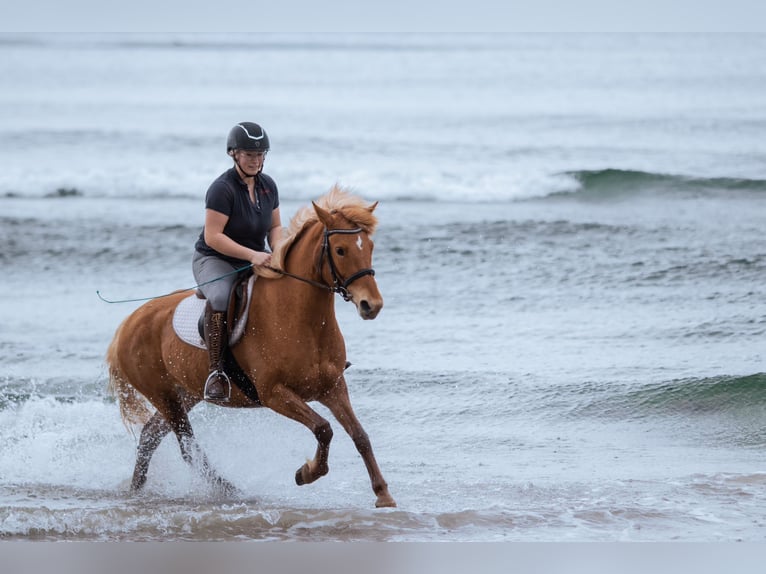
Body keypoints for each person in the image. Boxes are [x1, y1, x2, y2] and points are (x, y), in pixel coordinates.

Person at [192, 122, 283, 401]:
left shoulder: (268, 186)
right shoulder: (222, 189)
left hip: (254, 258)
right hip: (215, 259)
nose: (255, 161)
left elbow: (275, 228)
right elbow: (213, 236)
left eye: (260, 155)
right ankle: (216, 373)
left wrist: (278, 252)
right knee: (220, 296)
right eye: (248, 155)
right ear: (233, 154)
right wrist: (253, 255)